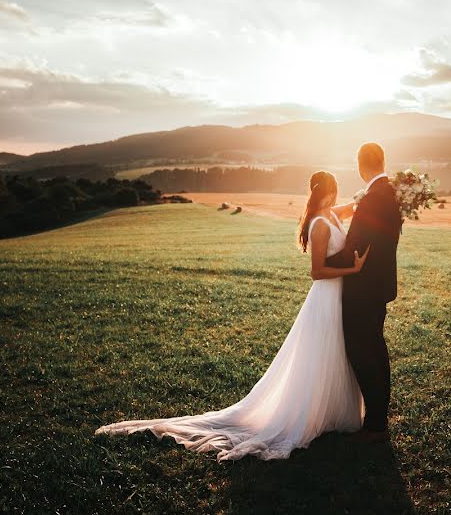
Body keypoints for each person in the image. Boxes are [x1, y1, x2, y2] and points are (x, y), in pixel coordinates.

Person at [94, 170, 369, 461]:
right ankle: (307, 416)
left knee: (334, 355)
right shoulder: (320, 225)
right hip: (325, 297)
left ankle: (329, 413)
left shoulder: (330, 213)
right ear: (326, 192)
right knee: (321, 358)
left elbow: (352, 208)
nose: (337, 196)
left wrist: (381, 195)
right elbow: (316, 272)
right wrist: (353, 269)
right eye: (334, 190)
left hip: (337, 298)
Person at [325, 142, 402, 443]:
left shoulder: (373, 198)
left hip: (363, 288)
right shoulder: (391, 191)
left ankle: (375, 424)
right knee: (375, 348)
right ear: (382, 161)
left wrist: (323, 263)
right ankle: (378, 415)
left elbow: (356, 246)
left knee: (362, 352)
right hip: (380, 284)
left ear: (359, 165)